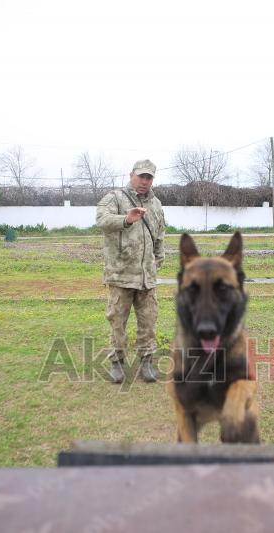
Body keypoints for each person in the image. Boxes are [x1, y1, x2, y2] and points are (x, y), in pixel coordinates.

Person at [96, 159, 166, 384]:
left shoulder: (156, 204)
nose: (144, 181)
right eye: (141, 176)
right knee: (117, 322)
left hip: (147, 276)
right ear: (131, 174)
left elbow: (160, 233)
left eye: (149, 177)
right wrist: (126, 219)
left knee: (148, 322)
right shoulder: (115, 198)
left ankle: (146, 362)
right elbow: (102, 220)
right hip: (121, 274)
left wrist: (159, 258)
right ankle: (117, 363)